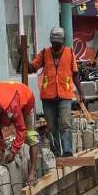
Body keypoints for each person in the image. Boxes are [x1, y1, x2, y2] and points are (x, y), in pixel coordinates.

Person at [29, 27, 85, 157]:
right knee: (51, 127)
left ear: (63, 42)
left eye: (58, 43)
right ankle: (55, 152)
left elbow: (75, 74)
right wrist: (24, 61)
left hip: (64, 95)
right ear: (51, 41)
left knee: (65, 124)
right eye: (54, 43)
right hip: (48, 97)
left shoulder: (69, 53)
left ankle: (67, 152)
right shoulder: (44, 53)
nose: (55, 45)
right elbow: (33, 67)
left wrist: (81, 92)